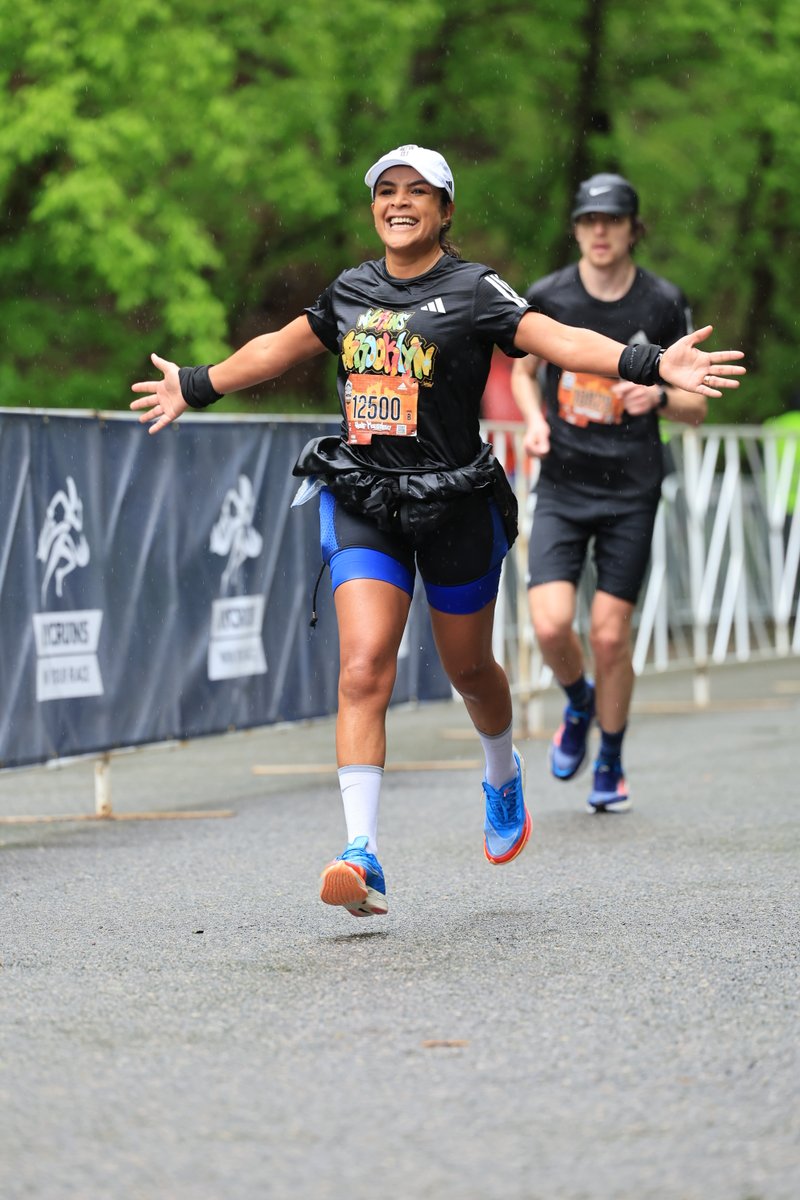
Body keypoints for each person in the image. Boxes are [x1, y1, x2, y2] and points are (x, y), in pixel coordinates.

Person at [131, 147, 744, 915]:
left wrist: (649, 365)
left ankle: (499, 770)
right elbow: (278, 348)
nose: (398, 202)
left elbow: (558, 340)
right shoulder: (350, 290)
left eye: (417, 192)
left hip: (454, 502)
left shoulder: (474, 289)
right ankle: (362, 851)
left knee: (471, 672)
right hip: (367, 497)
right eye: (386, 191)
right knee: (363, 668)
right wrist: (195, 383)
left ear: (445, 211)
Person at [510, 172, 710, 815]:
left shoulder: (661, 302)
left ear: (632, 228)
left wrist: (658, 395)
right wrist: (535, 423)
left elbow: (695, 408)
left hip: (632, 487)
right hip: (564, 484)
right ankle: (578, 704)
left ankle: (612, 758)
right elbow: (521, 372)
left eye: (613, 220)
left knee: (609, 635)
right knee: (548, 625)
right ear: (575, 229)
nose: (600, 232)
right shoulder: (549, 294)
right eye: (589, 221)